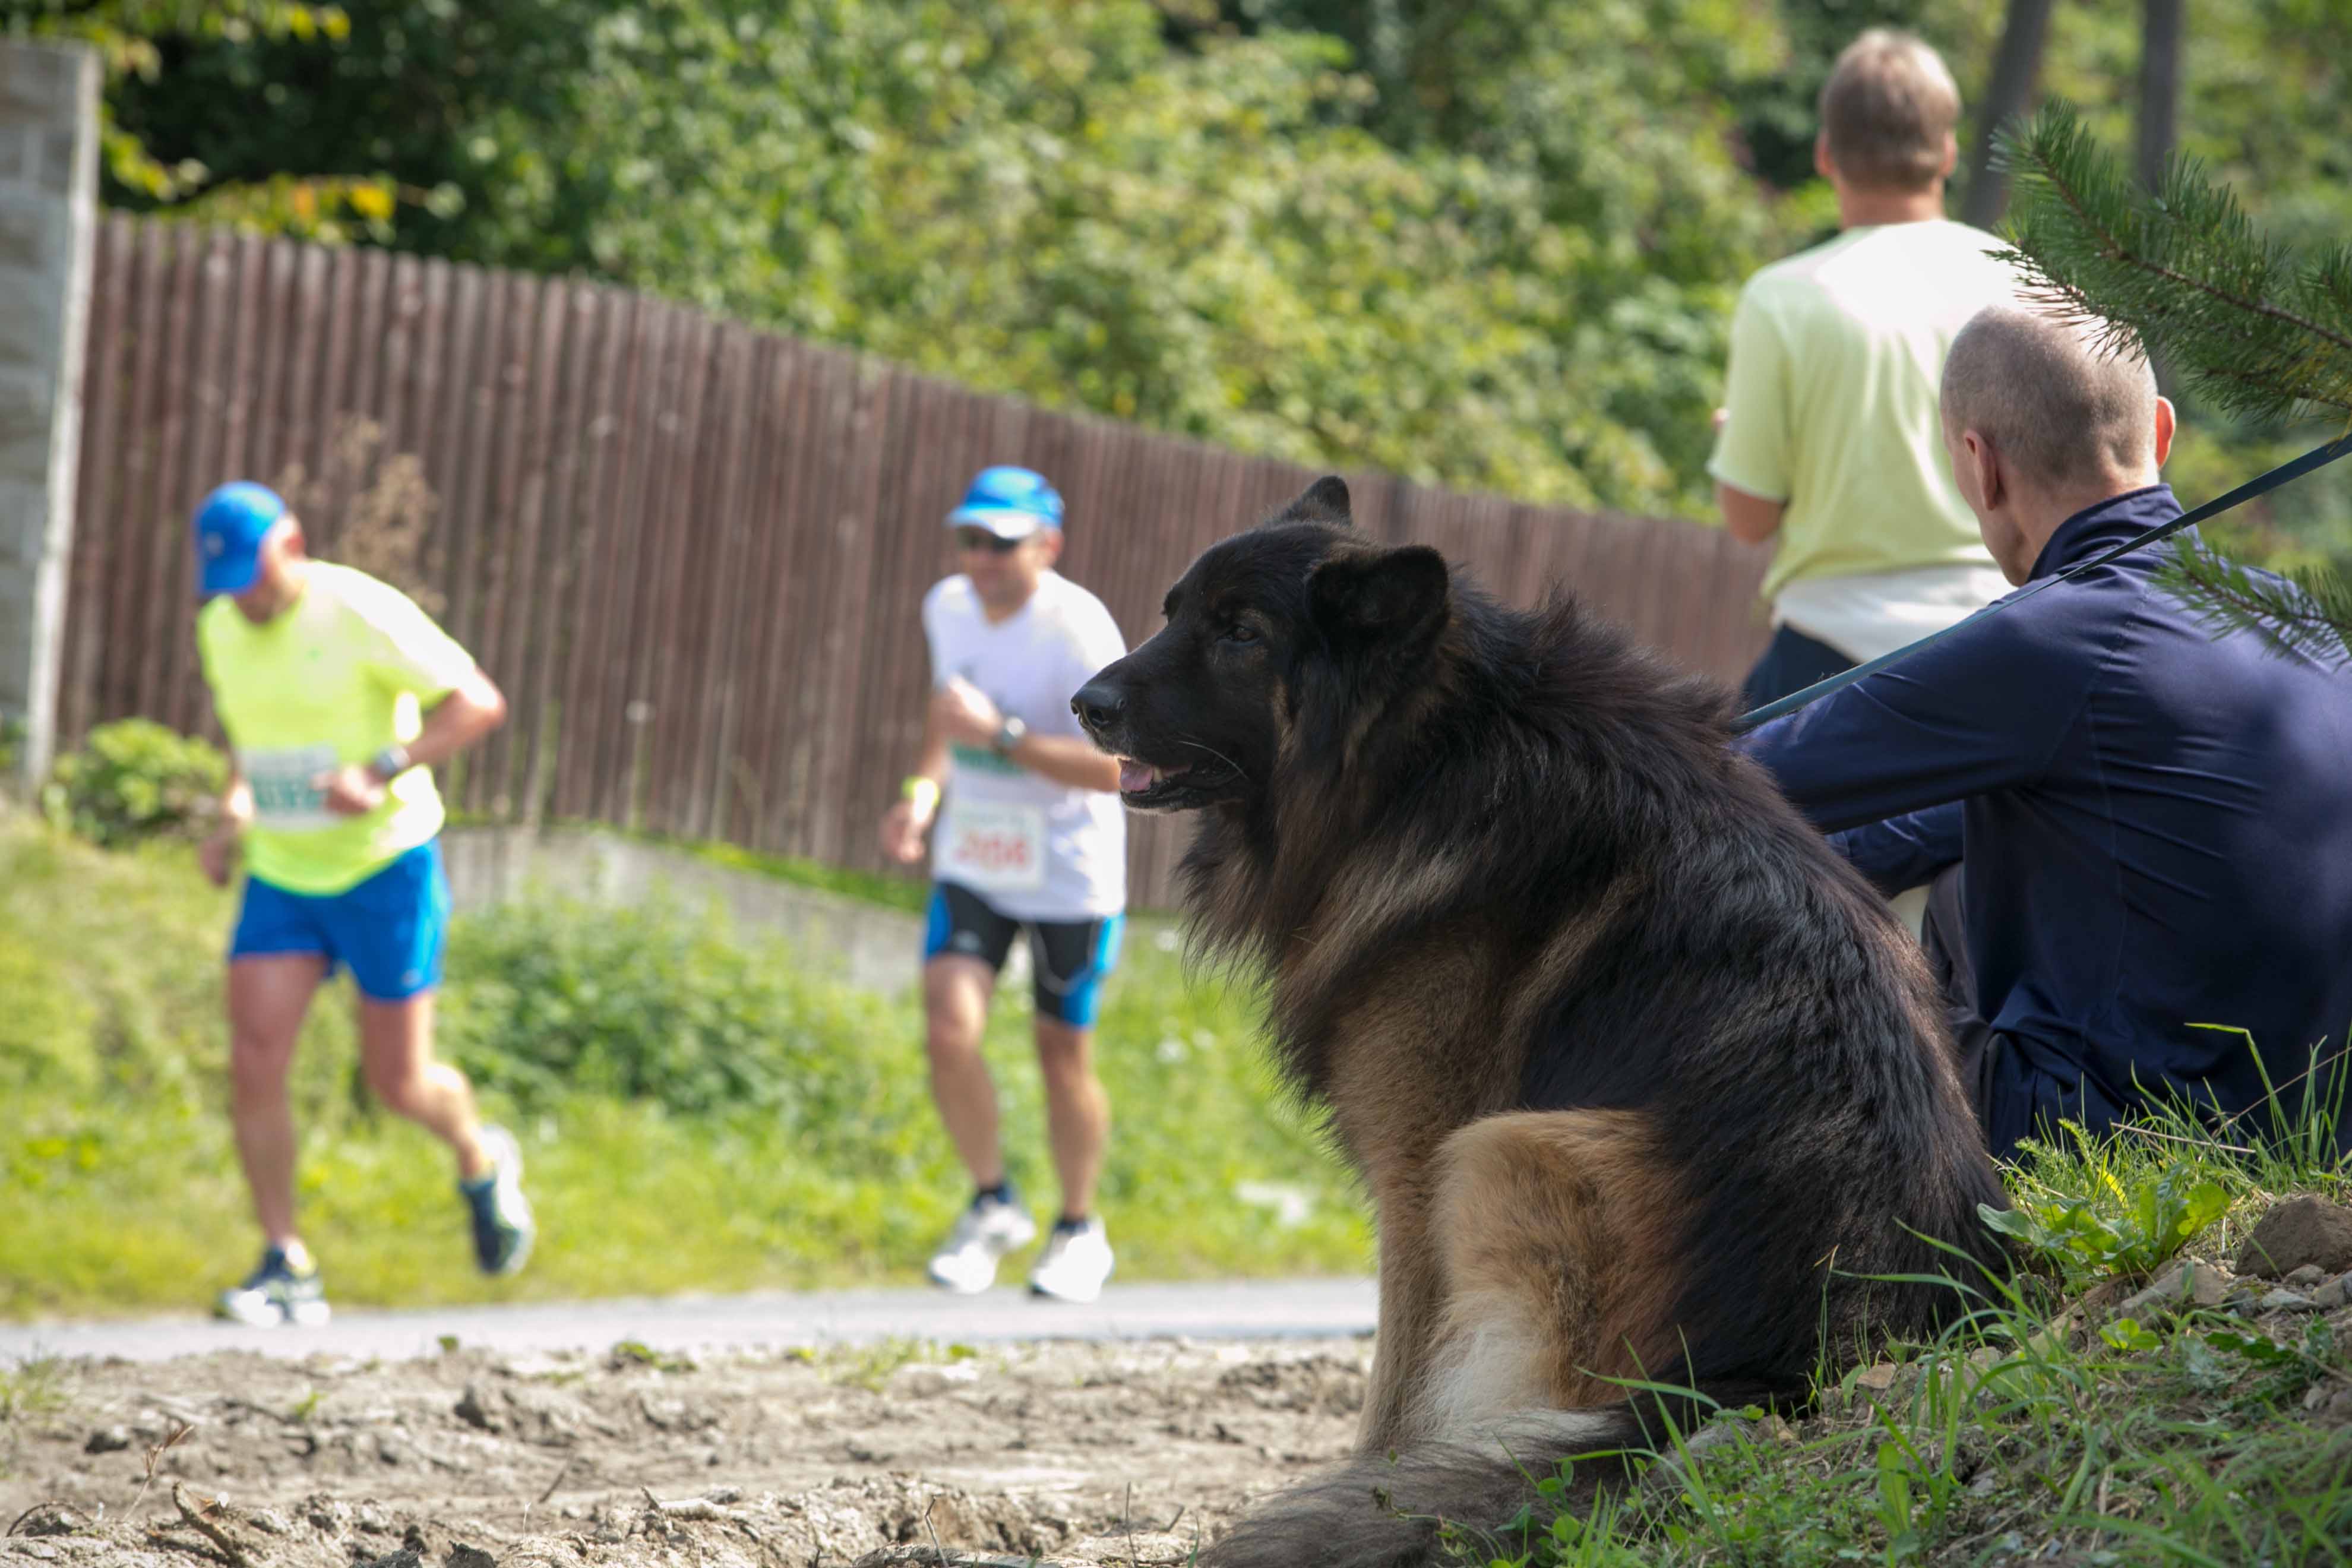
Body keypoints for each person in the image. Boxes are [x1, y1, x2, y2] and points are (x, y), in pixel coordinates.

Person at [1740, 305, 2352, 1159]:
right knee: (1958, 875)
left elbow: (1725, 780)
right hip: (2318, 1130)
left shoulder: (2051, 640)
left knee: (1787, 1017)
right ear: (2161, 432)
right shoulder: (2300, 616)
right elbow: (1936, 823)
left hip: (2134, 1137)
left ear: (1979, 464)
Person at [190, 481, 536, 1326]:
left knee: (398, 1082)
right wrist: (234, 810)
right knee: (254, 1061)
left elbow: (479, 703)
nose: (247, 600)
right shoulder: (221, 628)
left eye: (255, 578)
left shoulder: (359, 610)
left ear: (292, 544)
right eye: (230, 585)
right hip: (284, 873)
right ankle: (287, 1262)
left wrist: (381, 769)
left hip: (386, 866)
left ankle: (480, 1156)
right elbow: (252, 735)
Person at [1710, 29, 2021, 710]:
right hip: (1997, 648)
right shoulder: (2019, 285)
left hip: (1824, 664)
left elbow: (1750, 518)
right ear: (1947, 152)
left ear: (1826, 154)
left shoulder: (1780, 298)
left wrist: (1747, 446)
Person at [878, 466, 1130, 1303]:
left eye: (1002, 543)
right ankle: (992, 1204)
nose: (982, 558)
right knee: (948, 1029)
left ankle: (1079, 1229)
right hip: (977, 858)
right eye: (971, 539)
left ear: (1047, 546)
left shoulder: (1079, 628)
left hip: (1069, 873)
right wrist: (921, 796)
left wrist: (1007, 737)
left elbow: (1118, 768)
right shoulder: (946, 606)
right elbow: (946, 710)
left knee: (1062, 1054)